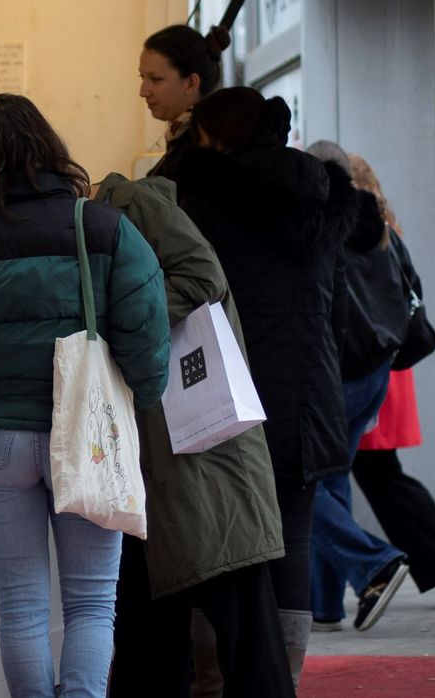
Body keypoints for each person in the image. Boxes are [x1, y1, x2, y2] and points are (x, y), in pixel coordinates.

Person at [0, 94, 170, 698]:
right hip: (87, 435)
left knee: (21, 603)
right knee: (90, 601)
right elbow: (146, 330)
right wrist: (140, 396)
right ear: (49, 151)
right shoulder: (103, 227)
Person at [169, 87, 353, 684]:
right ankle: (287, 677)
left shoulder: (197, 199)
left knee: (213, 535)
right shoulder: (324, 203)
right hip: (307, 391)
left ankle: (213, 677)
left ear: (211, 137)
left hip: (222, 389)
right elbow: (341, 313)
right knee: (293, 538)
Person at [95, 172, 294, 698]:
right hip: (173, 449)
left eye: (154, 80)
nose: (143, 89)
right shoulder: (123, 211)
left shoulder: (126, 200)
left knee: (232, 599)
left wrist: (123, 311)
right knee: (157, 607)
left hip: (197, 445)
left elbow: (204, 278)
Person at [345, 154, 435, 613]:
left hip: (366, 370)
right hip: (389, 368)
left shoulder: (353, 232)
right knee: (379, 475)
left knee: (377, 476)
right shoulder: (385, 228)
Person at [303, 140, 410, 633]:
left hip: (335, 373)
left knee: (298, 479)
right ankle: (326, 605)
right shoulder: (379, 222)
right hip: (375, 371)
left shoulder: (323, 225)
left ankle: (374, 563)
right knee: (330, 477)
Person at [139, 25, 221, 178]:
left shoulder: (205, 148)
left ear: (191, 83)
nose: (143, 92)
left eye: (155, 79)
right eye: (142, 78)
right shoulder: (183, 138)